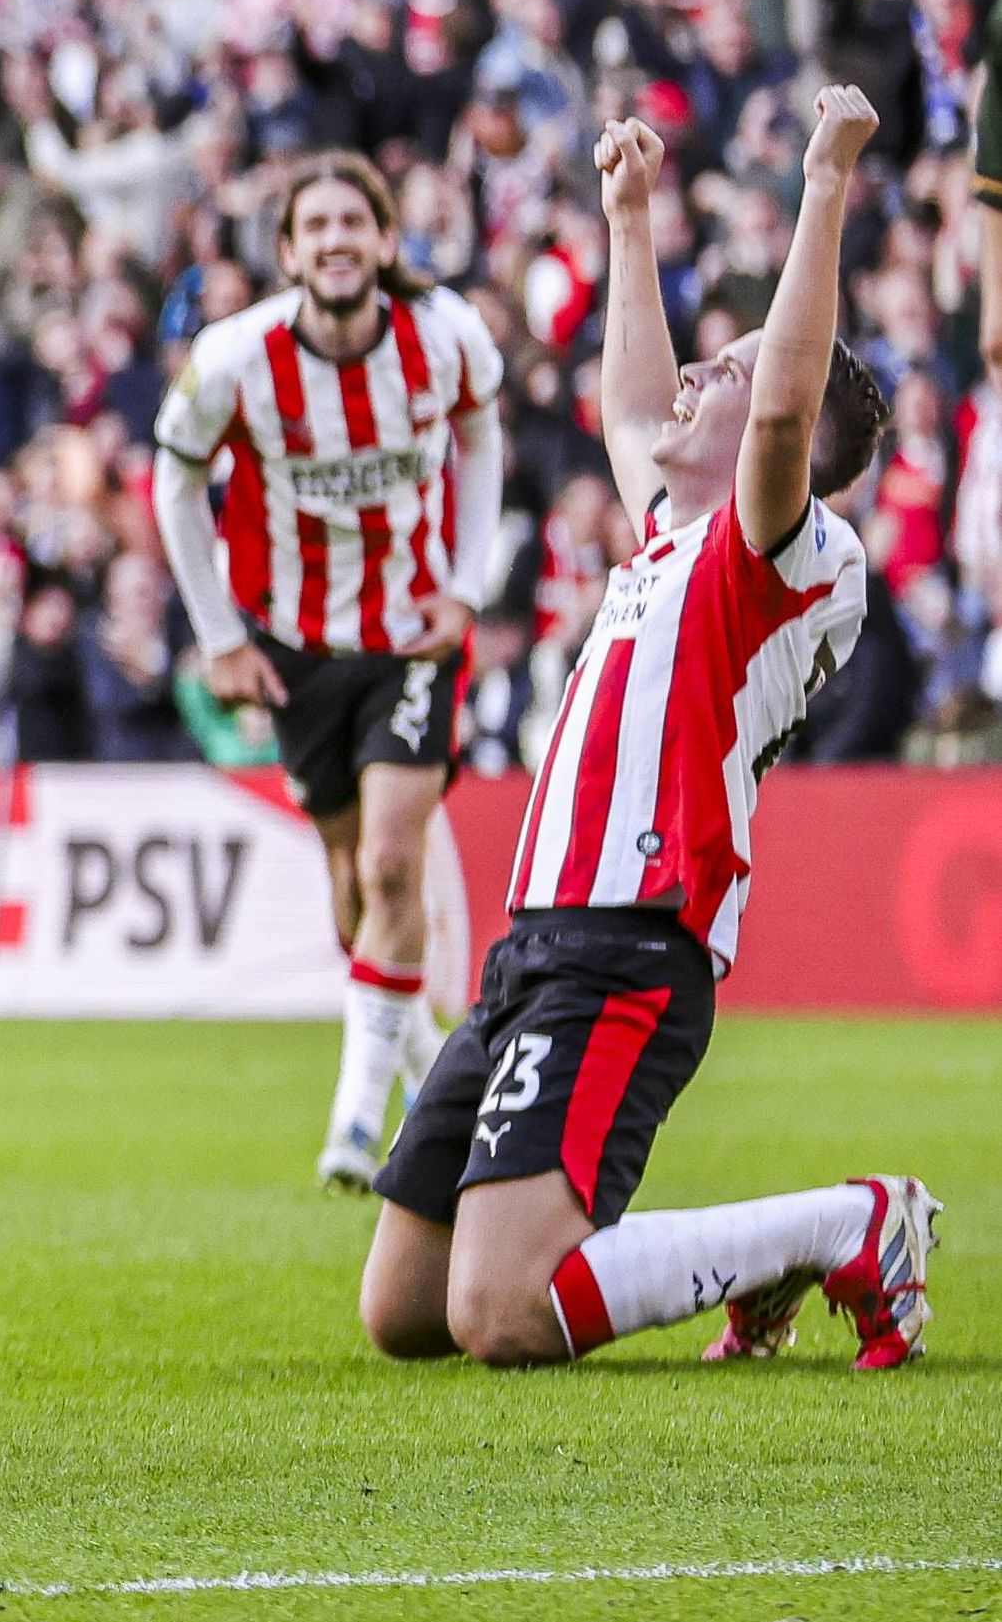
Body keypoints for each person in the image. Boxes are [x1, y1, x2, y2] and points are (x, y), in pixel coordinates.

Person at [359, 92, 937, 1371]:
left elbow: (784, 412)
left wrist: (825, 183)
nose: (696, 376)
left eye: (723, 371)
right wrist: (628, 221)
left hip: (627, 944)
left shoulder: (773, 551)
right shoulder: (679, 542)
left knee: (501, 1315)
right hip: (535, 949)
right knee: (404, 1312)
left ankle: (849, 1223)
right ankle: (782, 1249)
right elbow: (634, 411)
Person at [150, 155, 503, 1191]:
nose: (339, 239)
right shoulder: (234, 359)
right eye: (319, 226)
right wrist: (219, 635)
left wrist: (466, 587)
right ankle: (434, 1075)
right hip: (296, 649)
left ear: (386, 241)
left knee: (396, 864)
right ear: (290, 252)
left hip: (411, 638)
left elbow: (482, 441)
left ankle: (356, 1130)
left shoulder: (447, 338)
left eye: (358, 221)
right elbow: (173, 484)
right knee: (354, 893)